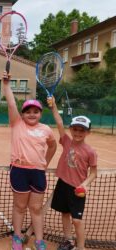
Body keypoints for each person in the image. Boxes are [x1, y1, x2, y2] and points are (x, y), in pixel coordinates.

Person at [2, 72, 57, 250]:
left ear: (40, 113)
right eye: (28, 111)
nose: (32, 114)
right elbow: (11, 103)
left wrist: (44, 163)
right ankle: (17, 237)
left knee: (36, 208)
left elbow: (53, 146)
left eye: (36, 111)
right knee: (19, 206)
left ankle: (39, 240)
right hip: (19, 171)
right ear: (23, 114)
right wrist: (6, 85)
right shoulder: (17, 123)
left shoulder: (46, 129)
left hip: (38, 173)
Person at [48, 97, 97, 250]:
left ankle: (81, 247)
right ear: (71, 129)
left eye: (82, 130)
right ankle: (69, 241)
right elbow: (59, 123)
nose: (77, 133)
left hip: (77, 190)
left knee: (77, 220)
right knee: (64, 214)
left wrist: (84, 184)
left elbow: (94, 173)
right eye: (75, 129)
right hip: (63, 184)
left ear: (88, 132)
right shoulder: (66, 141)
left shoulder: (90, 151)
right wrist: (54, 107)